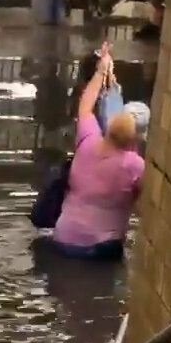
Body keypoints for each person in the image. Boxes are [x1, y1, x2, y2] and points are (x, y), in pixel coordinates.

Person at [51, 42, 145, 260]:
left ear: (109, 129)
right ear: (135, 138)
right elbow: (142, 198)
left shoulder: (87, 141)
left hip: (64, 237)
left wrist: (102, 71)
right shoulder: (135, 166)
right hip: (102, 248)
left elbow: (84, 106)